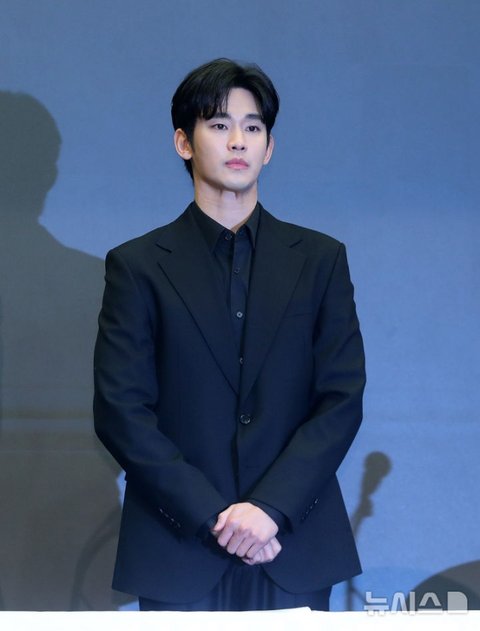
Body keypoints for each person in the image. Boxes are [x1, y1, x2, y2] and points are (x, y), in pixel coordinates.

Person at [93, 58, 366, 612]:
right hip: (179, 545)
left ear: (269, 147)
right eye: (219, 124)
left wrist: (270, 509)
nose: (238, 140)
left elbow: (340, 399)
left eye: (253, 126)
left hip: (291, 543)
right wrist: (212, 516)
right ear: (183, 142)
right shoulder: (138, 266)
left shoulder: (319, 260)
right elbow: (121, 410)